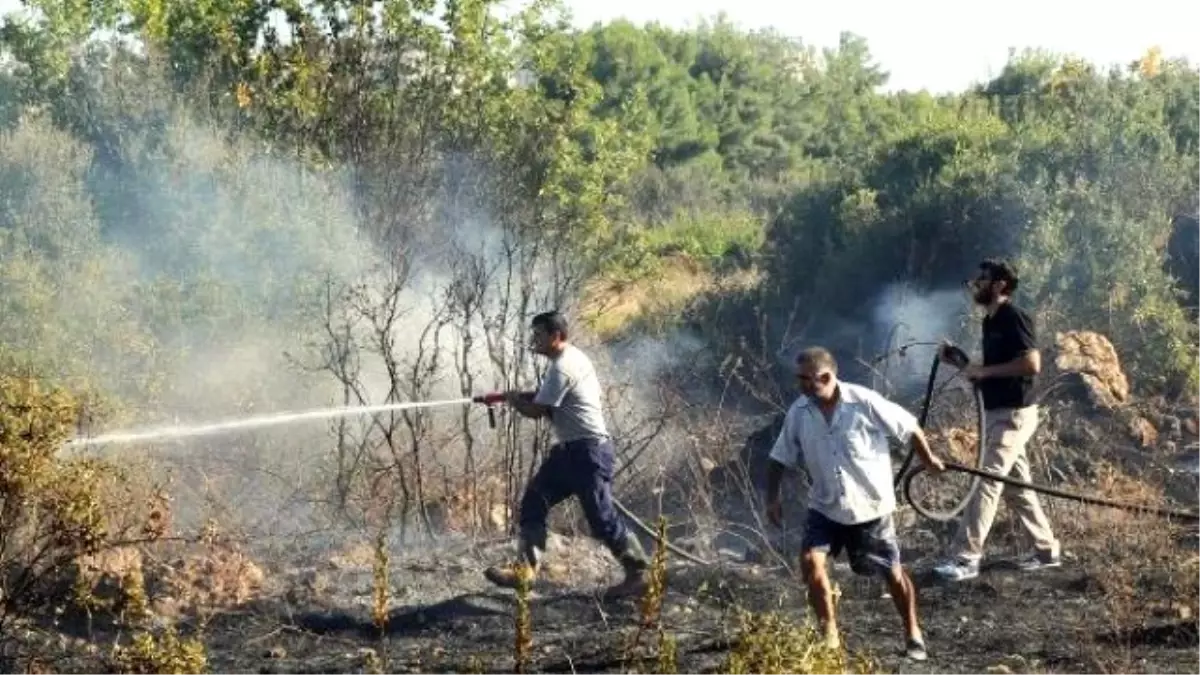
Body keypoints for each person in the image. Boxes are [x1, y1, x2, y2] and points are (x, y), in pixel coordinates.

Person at [764, 346, 944, 661]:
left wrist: (928, 460)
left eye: (808, 379)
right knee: (810, 561)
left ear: (827, 376)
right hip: (825, 507)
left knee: (892, 573)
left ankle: (913, 632)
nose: (802, 386)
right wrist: (772, 498)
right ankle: (829, 635)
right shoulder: (799, 412)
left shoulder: (864, 402)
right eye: (800, 379)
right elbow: (780, 456)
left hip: (870, 508)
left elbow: (910, 427)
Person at [483, 310, 651, 597]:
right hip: (570, 451)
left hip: (588, 452)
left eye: (538, 334)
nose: (533, 340)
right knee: (535, 499)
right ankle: (525, 570)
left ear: (556, 336)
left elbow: (537, 412)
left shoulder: (563, 366)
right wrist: (525, 396)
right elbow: (550, 401)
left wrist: (513, 400)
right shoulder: (569, 360)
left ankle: (640, 573)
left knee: (601, 517)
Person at [931, 258, 1062, 583]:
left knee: (986, 480)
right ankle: (1047, 550)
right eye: (976, 279)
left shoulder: (1014, 317)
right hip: (998, 413)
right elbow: (986, 372)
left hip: (1014, 413)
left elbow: (1032, 364)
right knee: (1016, 486)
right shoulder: (990, 321)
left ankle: (966, 558)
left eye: (983, 278)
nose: (976, 284)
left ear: (1000, 284)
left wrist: (985, 372)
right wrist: (959, 362)